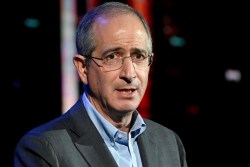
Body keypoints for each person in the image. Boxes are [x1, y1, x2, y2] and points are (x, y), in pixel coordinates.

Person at [14, 1, 188, 167]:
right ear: (83, 68)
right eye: (112, 57)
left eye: (139, 56)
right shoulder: (43, 148)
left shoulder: (169, 142)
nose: (129, 73)